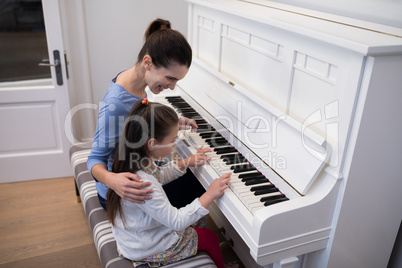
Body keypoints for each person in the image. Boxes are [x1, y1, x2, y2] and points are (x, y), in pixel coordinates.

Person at [87, 18, 204, 210]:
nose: (172, 87)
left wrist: (174, 122)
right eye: (170, 78)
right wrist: (114, 181)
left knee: (191, 170)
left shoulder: (133, 81)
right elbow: (94, 159)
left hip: (140, 171)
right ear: (148, 62)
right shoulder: (116, 104)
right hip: (120, 194)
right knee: (197, 182)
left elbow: (138, 118)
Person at [107, 100, 231, 268]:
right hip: (147, 246)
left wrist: (186, 162)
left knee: (198, 218)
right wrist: (210, 194)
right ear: (151, 144)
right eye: (173, 140)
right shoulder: (144, 183)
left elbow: (159, 174)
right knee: (210, 237)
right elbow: (176, 222)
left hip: (135, 237)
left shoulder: (133, 160)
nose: (175, 144)